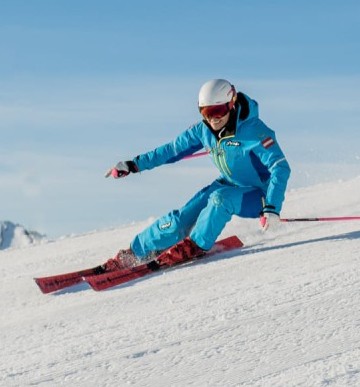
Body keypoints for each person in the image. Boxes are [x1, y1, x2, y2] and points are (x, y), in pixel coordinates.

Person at [98, 79, 291, 271]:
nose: (214, 118)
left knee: (220, 199)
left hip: (260, 194)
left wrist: (272, 208)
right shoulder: (203, 131)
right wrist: (133, 165)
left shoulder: (254, 130)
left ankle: (195, 245)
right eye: (207, 112)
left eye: (219, 111)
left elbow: (280, 167)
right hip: (228, 184)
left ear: (231, 105)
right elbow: (170, 151)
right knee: (181, 218)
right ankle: (136, 252)